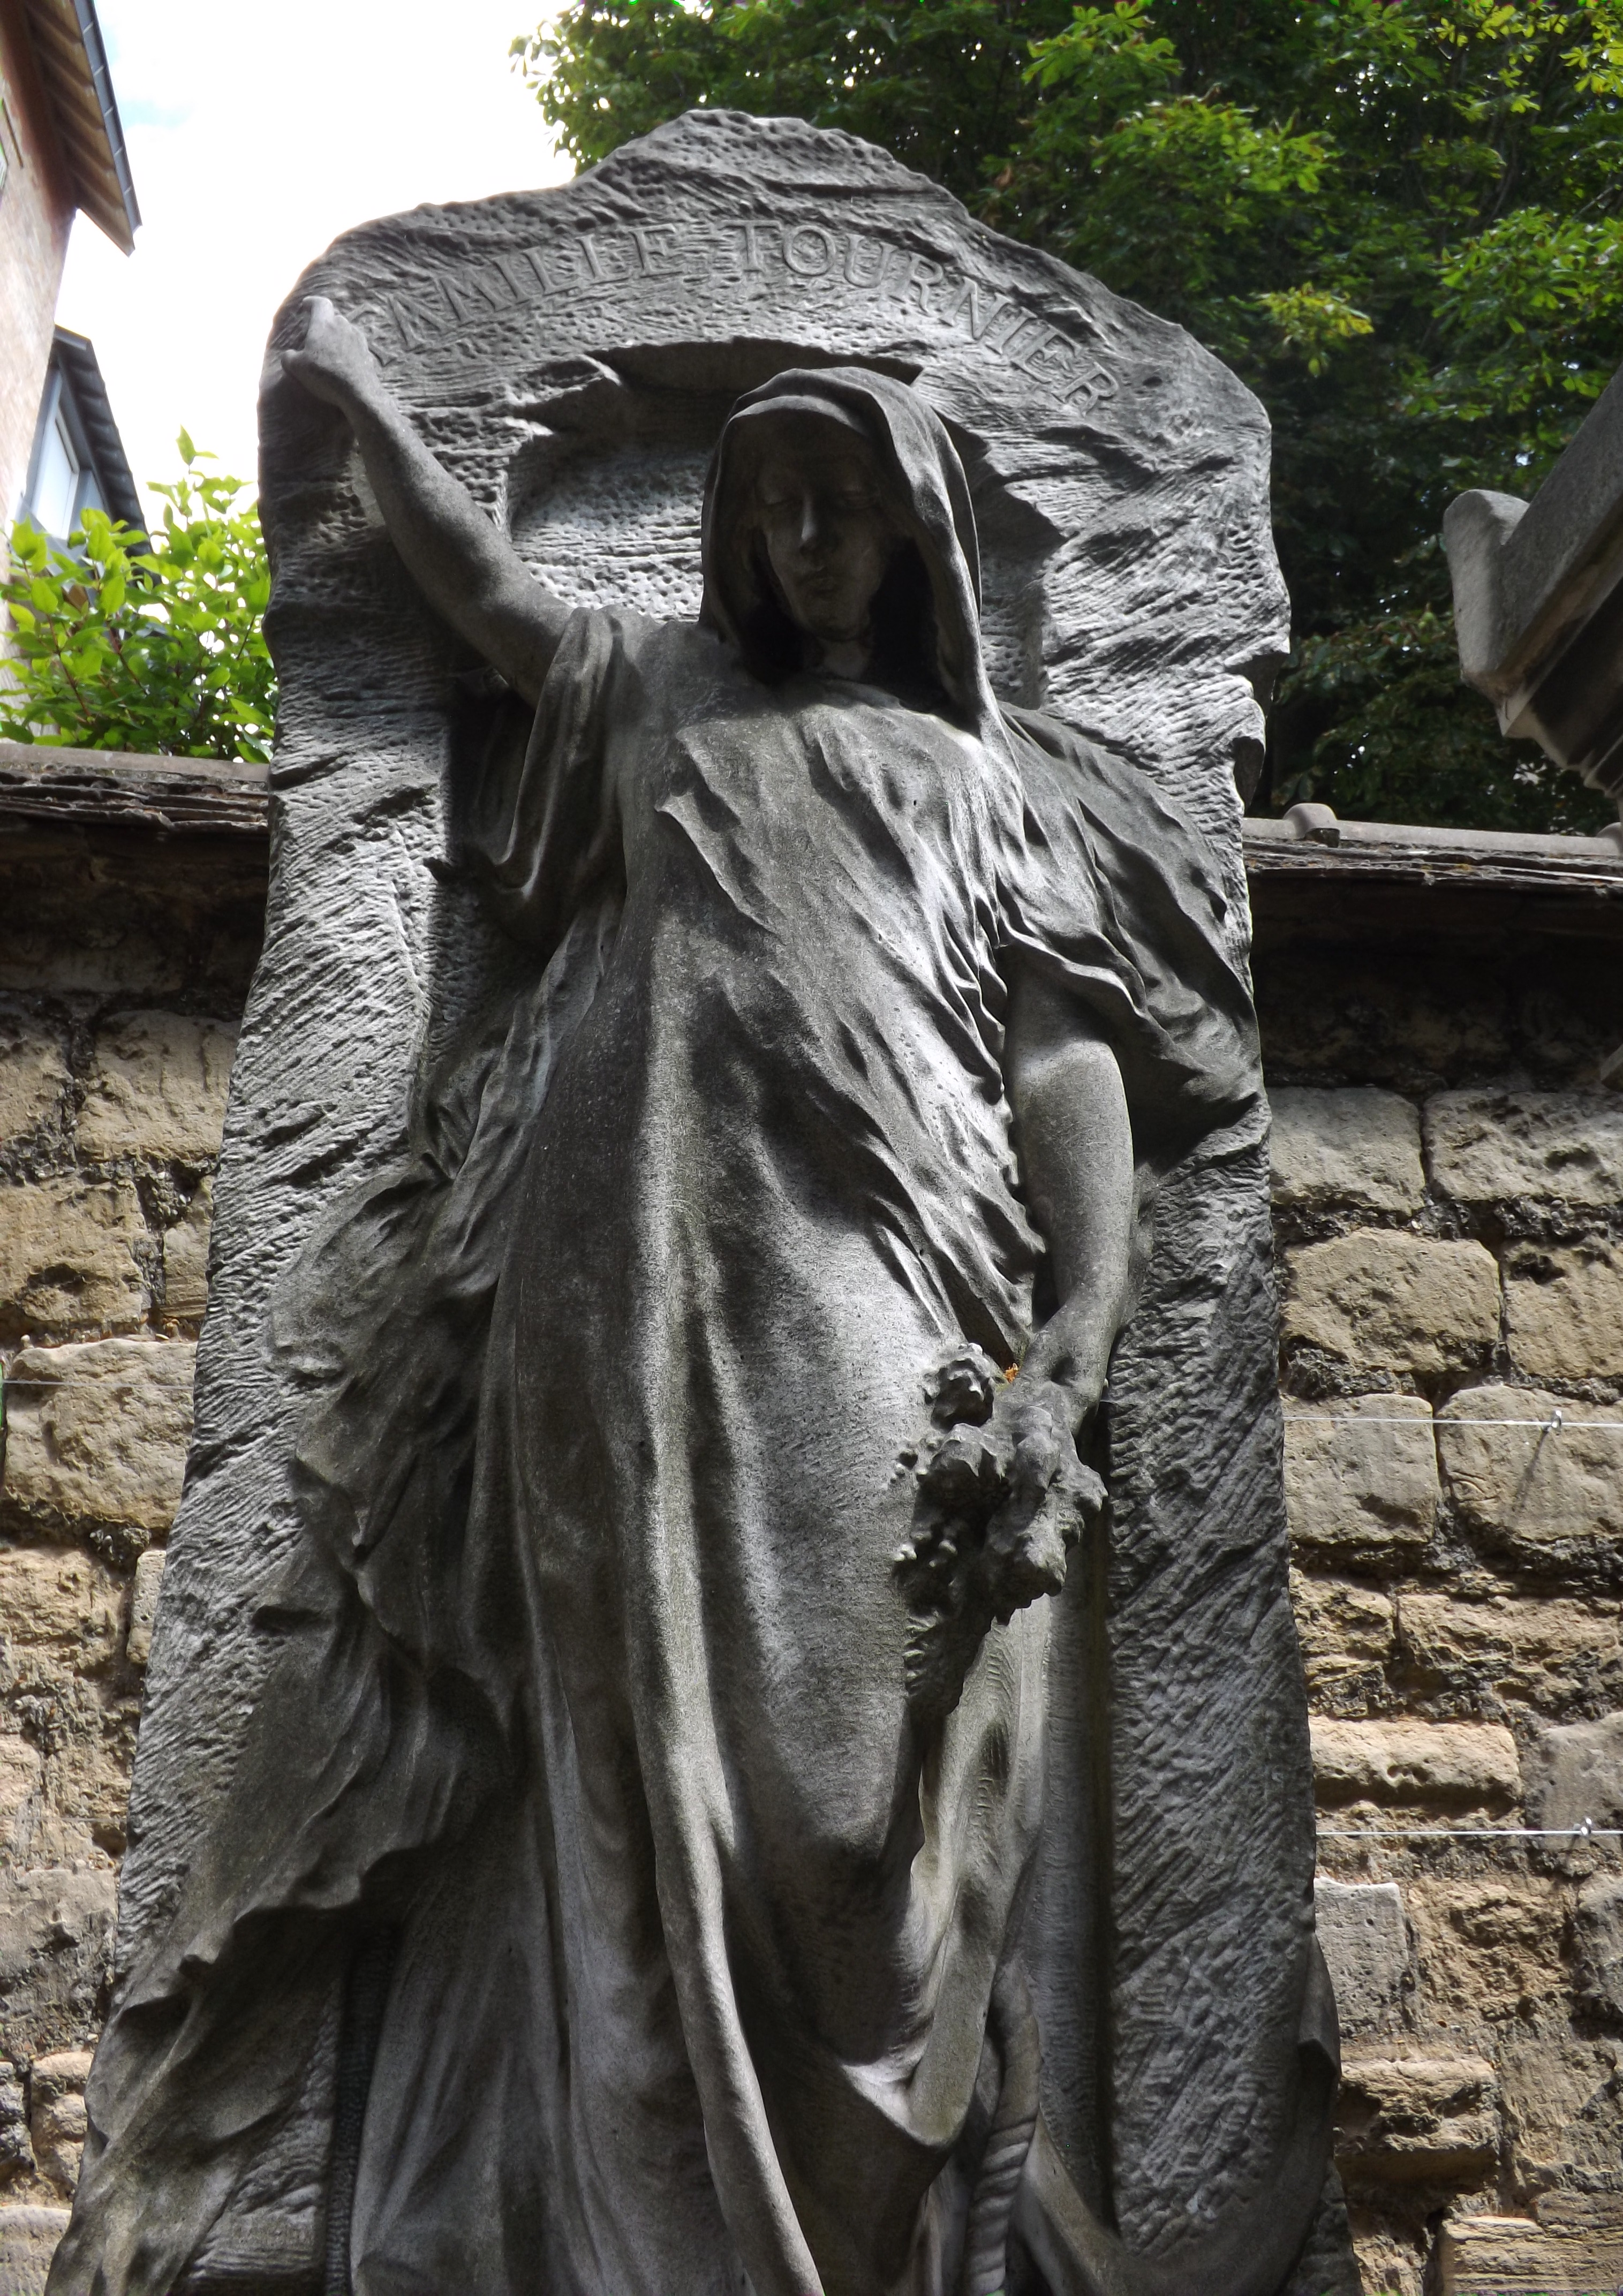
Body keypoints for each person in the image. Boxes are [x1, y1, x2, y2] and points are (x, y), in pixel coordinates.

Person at [50, 303, 1326, 2296]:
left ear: (915, 541)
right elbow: (480, 598)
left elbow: (1069, 1058)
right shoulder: (659, 698)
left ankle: (874, 2218)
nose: (811, 542)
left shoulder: (981, 780)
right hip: (627, 1283)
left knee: (846, 1820)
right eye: (780, 510)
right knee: (632, 1796)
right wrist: (369, 394)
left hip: (892, 1288)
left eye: (846, 509)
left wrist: (1084, 1318)